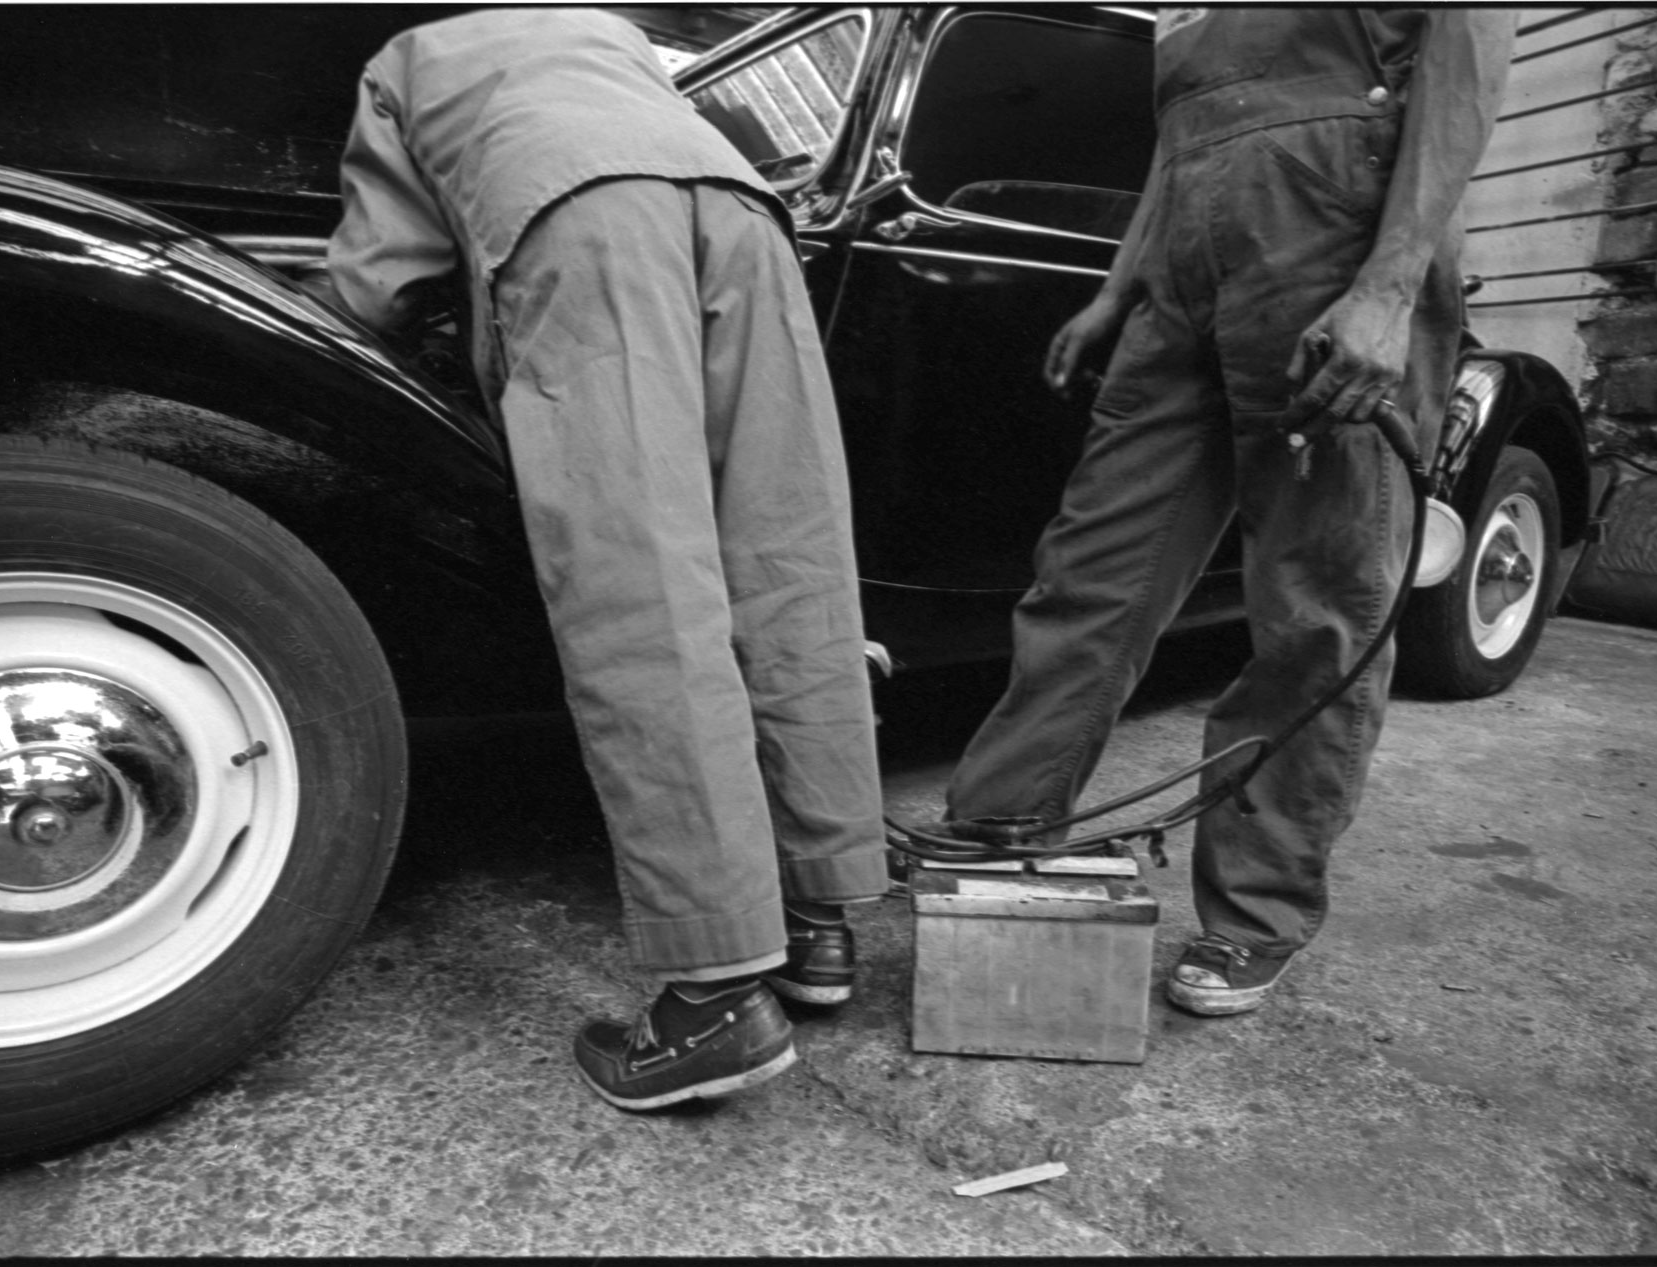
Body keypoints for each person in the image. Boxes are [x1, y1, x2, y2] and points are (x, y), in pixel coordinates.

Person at [326, 8, 887, 1108]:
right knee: (789, 565)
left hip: (579, 222)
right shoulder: (604, 28)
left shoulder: (404, 59)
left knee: (644, 599)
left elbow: (374, 285)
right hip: (741, 214)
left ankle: (714, 998)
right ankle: (819, 918)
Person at [940, 9, 1514, 1015]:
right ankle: (1002, 827)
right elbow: (1183, 132)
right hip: (1182, 280)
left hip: (1332, 245)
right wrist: (1119, 290)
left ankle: (1255, 910)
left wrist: (1387, 286)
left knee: (1315, 607)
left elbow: (1466, 66)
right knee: (1092, 573)